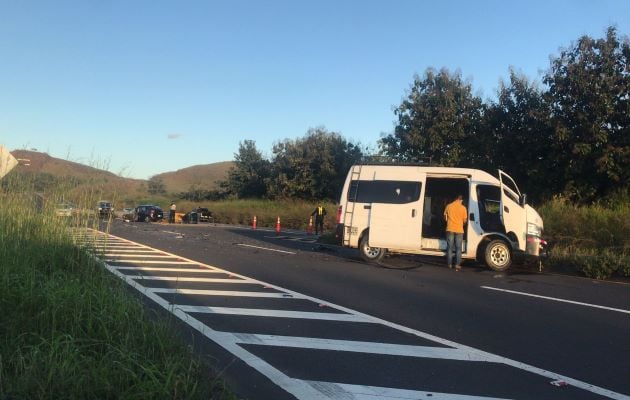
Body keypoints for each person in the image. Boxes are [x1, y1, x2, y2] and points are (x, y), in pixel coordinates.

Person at [443, 195, 467, 271]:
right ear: (460, 200)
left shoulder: (448, 206)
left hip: (450, 229)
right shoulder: (463, 208)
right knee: (458, 248)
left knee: (450, 247)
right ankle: (457, 265)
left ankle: (449, 264)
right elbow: (465, 221)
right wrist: (461, 224)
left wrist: (449, 222)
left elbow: (445, 217)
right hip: (459, 230)